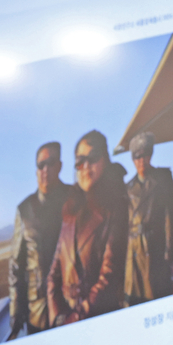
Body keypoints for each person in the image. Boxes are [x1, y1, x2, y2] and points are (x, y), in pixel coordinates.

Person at [47, 130, 129, 325]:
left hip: (98, 319)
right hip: (65, 318)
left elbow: (108, 276)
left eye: (92, 158)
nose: (85, 166)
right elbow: (54, 270)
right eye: (79, 161)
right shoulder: (71, 208)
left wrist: (75, 318)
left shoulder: (115, 206)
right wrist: (57, 314)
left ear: (105, 161)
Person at [8, 142, 74, 339]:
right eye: (40, 165)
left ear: (60, 166)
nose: (45, 170)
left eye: (50, 163)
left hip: (70, 309)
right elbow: (16, 267)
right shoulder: (24, 209)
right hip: (36, 313)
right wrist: (15, 311)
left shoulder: (74, 199)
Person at [122, 132, 173, 305]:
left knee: (157, 295)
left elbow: (170, 216)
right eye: (137, 157)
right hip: (134, 251)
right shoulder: (128, 187)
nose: (141, 161)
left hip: (155, 249)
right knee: (134, 300)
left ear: (150, 155)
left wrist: (171, 251)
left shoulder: (163, 178)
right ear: (132, 160)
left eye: (145, 156)